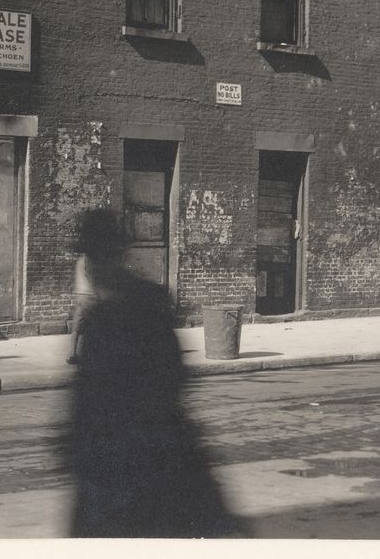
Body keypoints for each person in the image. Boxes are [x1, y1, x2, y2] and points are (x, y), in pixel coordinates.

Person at [66, 209, 240, 538]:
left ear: (93, 261)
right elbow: (177, 376)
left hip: (120, 469)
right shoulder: (151, 300)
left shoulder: (105, 320)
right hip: (160, 456)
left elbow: (87, 406)